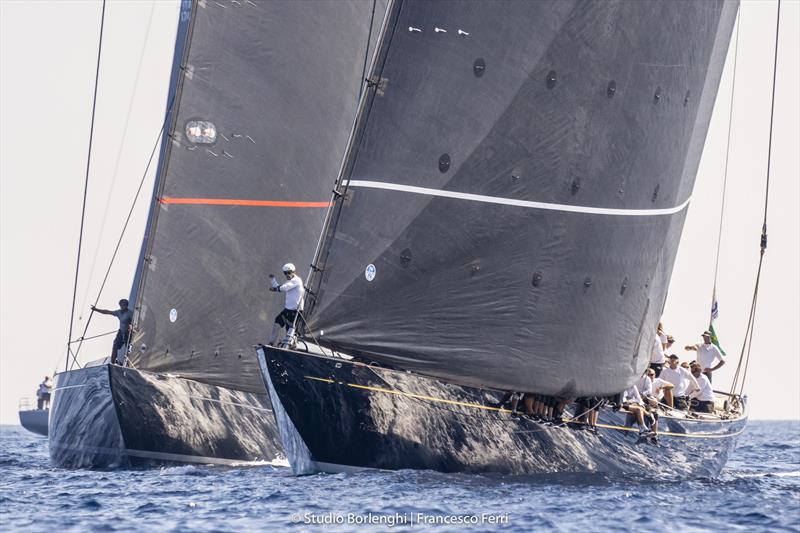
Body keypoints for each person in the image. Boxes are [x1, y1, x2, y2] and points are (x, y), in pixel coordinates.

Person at [267, 263, 304, 347]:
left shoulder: (297, 280)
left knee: (290, 330)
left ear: (294, 271)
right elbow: (279, 287)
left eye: (289, 272)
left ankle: (291, 346)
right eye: (285, 273)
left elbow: (284, 288)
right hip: (287, 310)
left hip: (295, 311)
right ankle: (271, 343)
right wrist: (273, 279)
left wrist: (275, 289)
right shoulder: (289, 282)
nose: (287, 275)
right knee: (277, 321)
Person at [91, 299, 133, 365]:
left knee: (128, 348)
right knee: (115, 345)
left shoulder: (130, 314)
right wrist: (96, 309)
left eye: (123, 305)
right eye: (120, 305)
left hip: (128, 333)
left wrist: (131, 328)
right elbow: (107, 312)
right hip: (121, 332)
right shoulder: (119, 312)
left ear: (126, 305)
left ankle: (129, 363)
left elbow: (133, 323)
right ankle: (113, 362)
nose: (121, 307)